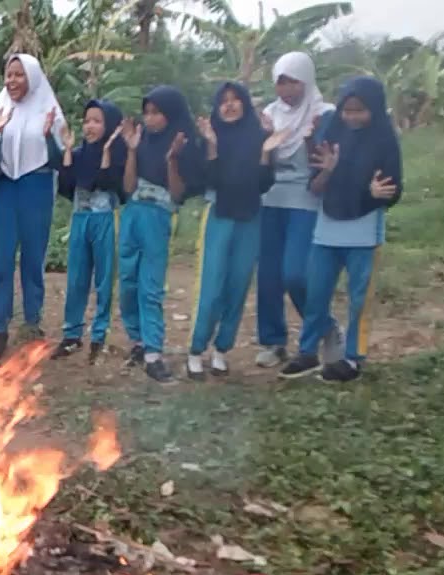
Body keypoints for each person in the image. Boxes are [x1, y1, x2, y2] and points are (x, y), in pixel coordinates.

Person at [280, 76, 402, 383]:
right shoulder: (332, 132)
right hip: (328, 228)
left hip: (364, 230)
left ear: (374, 109)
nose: (352, 117)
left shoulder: (384, 139)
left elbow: (393, 187)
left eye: (359, 110)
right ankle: (307, 352)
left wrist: (376, 192)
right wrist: (329, 171)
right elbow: (316, 185)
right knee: (317, 294)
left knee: (358, 296)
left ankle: (352, 359)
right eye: (347, 110)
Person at [186, 82, 286, 381]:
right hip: (218, 215)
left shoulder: (257, 136)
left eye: (235, 100)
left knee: (238, 285)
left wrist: (267, 149)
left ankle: (221, 350)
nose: (229, 106)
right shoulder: (207, 138)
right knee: (211, 285)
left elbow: (264, 183)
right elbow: (208, 179)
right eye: (223, 101)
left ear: (244, 104)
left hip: (251, 216)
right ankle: (195, 350)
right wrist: (213, 145)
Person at [0, 54, 65, 361]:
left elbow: (60, 160)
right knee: (0, 259)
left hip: (36, 187)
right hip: (6, 187)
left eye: (18, 75)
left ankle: (31, 324)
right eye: (8, 75)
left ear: (33, 77)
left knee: (33, 258)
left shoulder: (49, 110)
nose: (11, 81)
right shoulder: (1, 107)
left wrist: (49, 136)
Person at [118, 86, 207, 384]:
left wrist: (172, 160)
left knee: (150, 285)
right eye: (147, 112)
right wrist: (131, 150)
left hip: (158, 217)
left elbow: (178, 193)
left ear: (172, 114)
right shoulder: (141, 140)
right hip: (132, 214)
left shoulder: (185, 145)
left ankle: (154, 353)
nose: (150, 118)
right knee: (128, 281)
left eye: (157, 113)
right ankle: (138, 342)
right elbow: (128, 187)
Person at [256, 51, 337, 368]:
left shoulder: (325, 113)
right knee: (268, 276)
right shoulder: (269, 115)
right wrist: (264, 138)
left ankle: (325, 327)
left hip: (306, 198)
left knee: (295, 273)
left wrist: (310, 138)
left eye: (292, 82)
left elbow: (324, 159)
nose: (286, 90)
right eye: (280, 82)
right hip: (271, 198)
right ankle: (274, 341)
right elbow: (263, 161)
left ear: (306, 80)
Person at [54, 99, 127, 364]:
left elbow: (110, 184)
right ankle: (72, 334)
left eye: (97, 121)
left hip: (105, 219)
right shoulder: (81, 153)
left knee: (104, 280)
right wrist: (68, 150)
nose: (90, 126)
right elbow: (66, 185)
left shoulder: (118, 155)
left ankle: (99, 335)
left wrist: (106, 155)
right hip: (80, 219)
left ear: (108, 126)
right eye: (87, 121)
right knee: (76, 278)